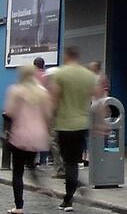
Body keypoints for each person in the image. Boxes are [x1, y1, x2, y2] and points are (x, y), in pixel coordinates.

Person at [50, 47, 102, 212]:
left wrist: (48, 120)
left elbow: (55, 100)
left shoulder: (61, 74)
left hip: (64, 124)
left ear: (66, 56)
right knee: (74, 161)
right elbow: (98, 98)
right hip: (82, 124)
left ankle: (69, 199)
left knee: (68, 163)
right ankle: (71, 195)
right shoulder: (88, 75)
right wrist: (101, 123)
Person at [3, 64, 53, 213]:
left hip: (20, 136)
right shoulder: (42, 93)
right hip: (38, 136)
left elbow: (10, 112)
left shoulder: (16, 90)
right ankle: (41, 185)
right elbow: (48, 115)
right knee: (31, 165)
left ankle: (19, 206)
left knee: (17, 172)